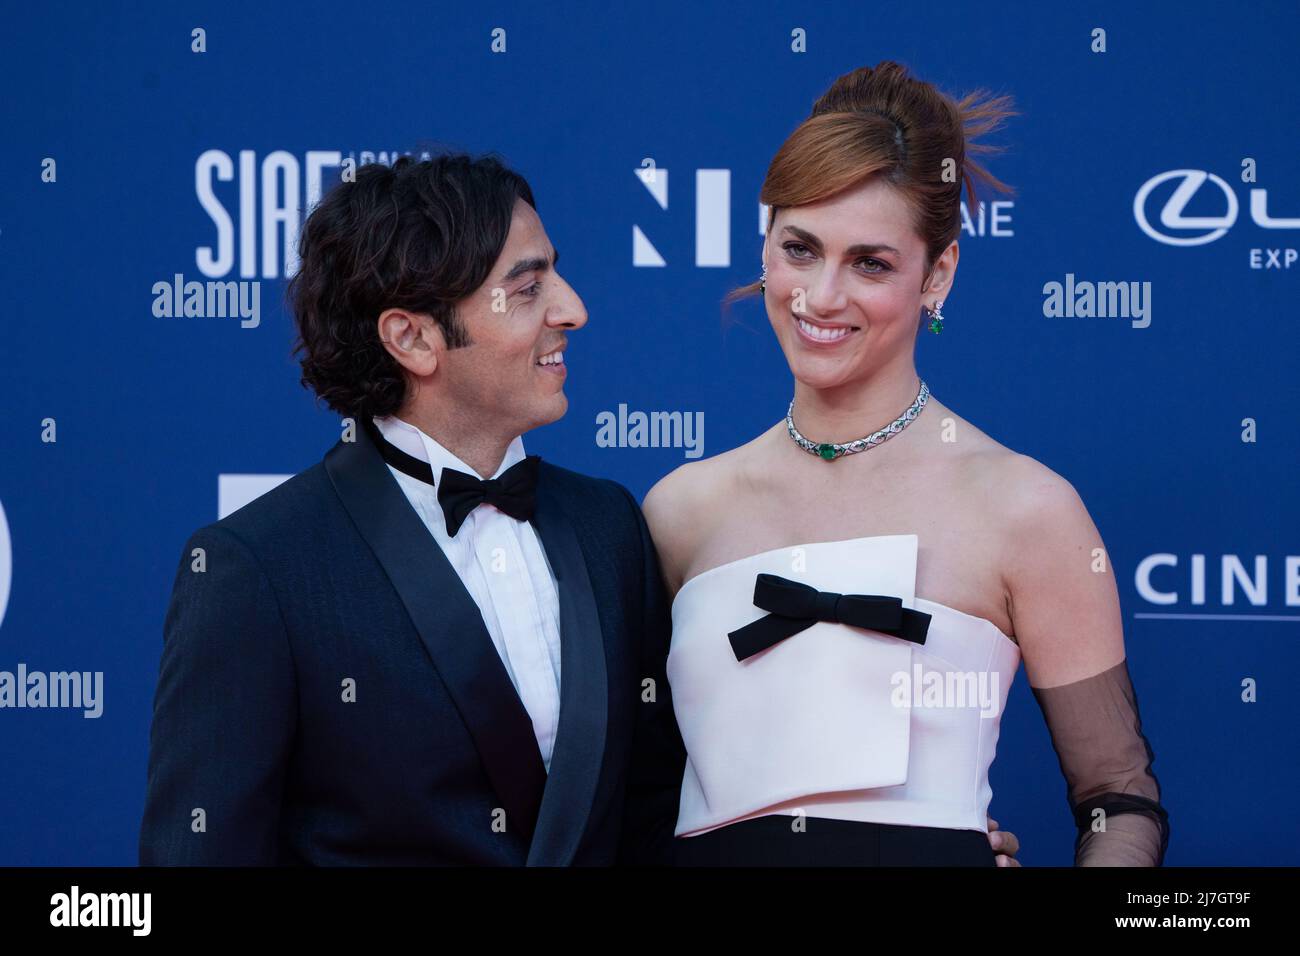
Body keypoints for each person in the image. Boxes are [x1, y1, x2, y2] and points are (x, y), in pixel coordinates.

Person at [643, 61, 1169, 866]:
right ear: (766, 246)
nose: (821, 296)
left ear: (940, 274)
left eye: (871, 263)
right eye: (800, 248)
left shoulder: (1026, 509)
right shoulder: (680, 510)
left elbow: (1118, 802)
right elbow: (627, 792)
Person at [137, 154, 684, 865]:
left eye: (555, 272)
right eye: (526, 289)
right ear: (413, 338)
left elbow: (649, 812)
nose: (572, 309)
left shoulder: (607, 526)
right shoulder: (260, 568)